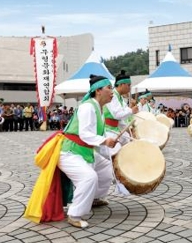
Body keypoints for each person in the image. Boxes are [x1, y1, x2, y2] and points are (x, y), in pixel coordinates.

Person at [58, 74, 118, 227]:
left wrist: (113, 155)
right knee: (89, 177)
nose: (112, 92)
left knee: (106, 167)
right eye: (109, 88)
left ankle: (95, 198)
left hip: (86, 151)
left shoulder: (99, 109)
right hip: (70, 153)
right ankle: (74, 214)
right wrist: (105, 141)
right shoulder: (87, 107)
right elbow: (85, 134)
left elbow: (98, 139)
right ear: (98, 90)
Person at [104, 69, 139, 147]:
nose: (130, 88)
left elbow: (124, 113)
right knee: (120, 148)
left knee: (129, 142)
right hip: (107, 130)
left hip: (115, 129)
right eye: (128, 85)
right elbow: (118, 115)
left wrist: (128, 130)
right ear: (121, 84)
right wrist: (132, 111)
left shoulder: (119, 97)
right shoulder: (112, 96)